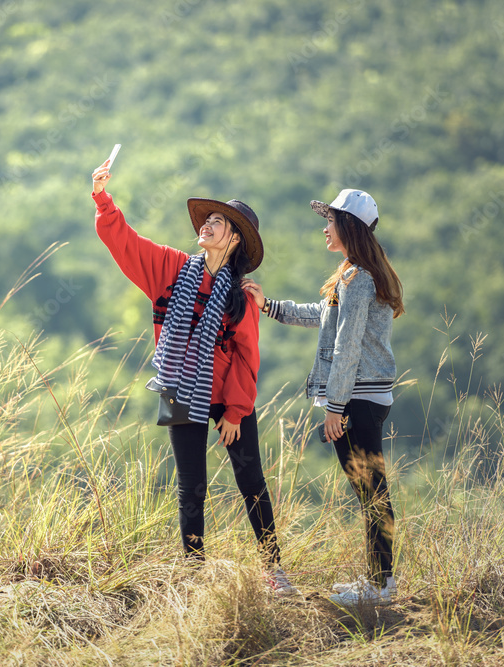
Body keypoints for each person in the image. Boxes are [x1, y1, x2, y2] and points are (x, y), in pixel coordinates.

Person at [91, 157, 297, 594]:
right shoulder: (169, 269)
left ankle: (274, 572)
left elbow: (246, 356)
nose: (206, 225)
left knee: (251, 482)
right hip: (180, 389)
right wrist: (103, 197)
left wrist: (237, 412)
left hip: (227, 399)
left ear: (235, 238)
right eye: (207, 220)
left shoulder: (240, 296)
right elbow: (124, 242)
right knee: (191, 487)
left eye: (218, 222)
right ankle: (194, 575)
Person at [243, 189, 404, 607]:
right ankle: (377, 581)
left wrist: (335, 408)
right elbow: (326, 317)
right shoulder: (358, 274)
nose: (324, 227)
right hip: (367, 396)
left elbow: (348, 347)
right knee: (371, 492)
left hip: (356, 399)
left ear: (348, 225)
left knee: (371, 493)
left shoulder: (357, 278)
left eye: (330, 220)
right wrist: (271, 306)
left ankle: (380, 587)